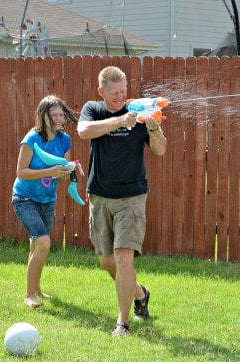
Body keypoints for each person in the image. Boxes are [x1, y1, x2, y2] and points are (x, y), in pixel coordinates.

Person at [77, 66, 167, 336]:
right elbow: (83, 131)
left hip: (132, 196)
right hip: (100, 195)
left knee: (123, 257)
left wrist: (153, 129)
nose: (120, 97)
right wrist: (118, 122)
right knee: (107, 262)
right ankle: (140, 292)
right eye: (114, 92)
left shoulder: (140, 112)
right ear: (101, 91)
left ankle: (122, 323)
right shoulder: (93, 110)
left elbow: (160, 150)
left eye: (123, 91)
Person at [12, 95, 81, 309]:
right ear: (44, 117)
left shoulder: (64, 139)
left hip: (47, 199)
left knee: (36, 245)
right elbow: (21, 172)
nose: (59, 119)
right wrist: (51, 170)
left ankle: (37, 289)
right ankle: (29, 295)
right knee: (43, 242)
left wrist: (71, 170)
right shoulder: (32, 139)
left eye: (61, 114)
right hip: (24, 198)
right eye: (54, 115)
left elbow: (63, 168)